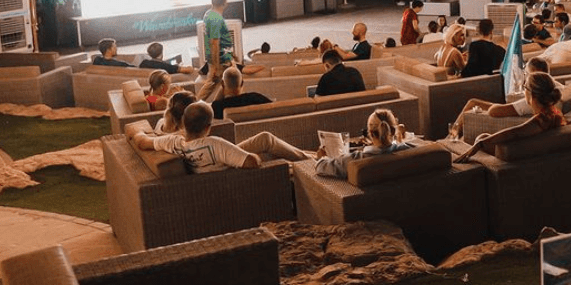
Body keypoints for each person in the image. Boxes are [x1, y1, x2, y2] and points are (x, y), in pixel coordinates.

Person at [132, 101, 311, 172]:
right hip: (226, 168)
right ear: (208, 127)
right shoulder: (215, 144)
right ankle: (312, 161)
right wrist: (243, 155)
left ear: (183, 123)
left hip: (215, 160)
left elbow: (142, 142)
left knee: (265, 138)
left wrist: (136, 131)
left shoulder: (171, 141)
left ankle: (308, 157)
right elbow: (252, 162)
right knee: (267, 149)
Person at [455, 72, 567, 163]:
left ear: (531, 93)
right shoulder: (554, 112)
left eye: (525, 87)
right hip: (537, 154)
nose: (524, 92)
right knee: (483, 137)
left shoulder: (543, 119)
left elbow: (515, 133)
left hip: (525, 160)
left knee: (482, 139)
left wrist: (480, 144)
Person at [449, 58, 553, 140]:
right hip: (514, 109)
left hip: (507, 116)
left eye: (526, 74)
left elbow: (494, 112)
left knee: (473, 103)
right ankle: (453, 135)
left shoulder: (531, 102)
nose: (525, 78)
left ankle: (451, 137)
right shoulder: (553, 89)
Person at [315, 108, 413, 179]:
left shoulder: (355, 161)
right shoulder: (408, 151)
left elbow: (320, 167)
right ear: (392, 131)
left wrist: (322, 158)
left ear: (370, 133)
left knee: (308, 156)